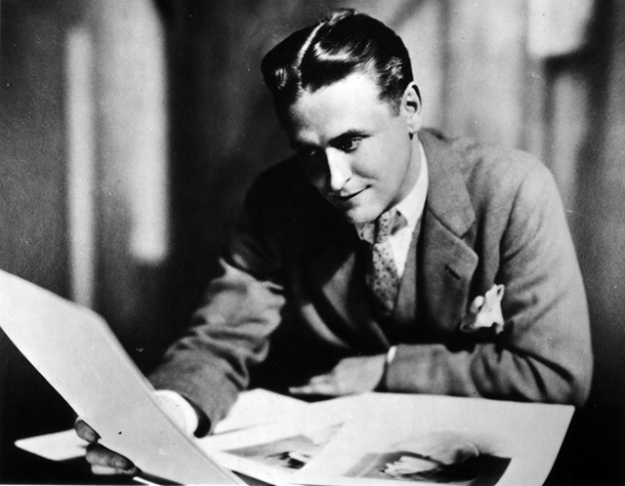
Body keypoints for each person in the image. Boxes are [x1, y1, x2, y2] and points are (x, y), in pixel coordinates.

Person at [76, 8, 593, 475]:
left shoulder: (512, 190)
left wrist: (388, 371)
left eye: (350, 142)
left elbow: (556, 374)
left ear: (410, 108)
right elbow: (222, 338)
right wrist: (168, 410)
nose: (334, 179)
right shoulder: (276, 201)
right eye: (309, 152)